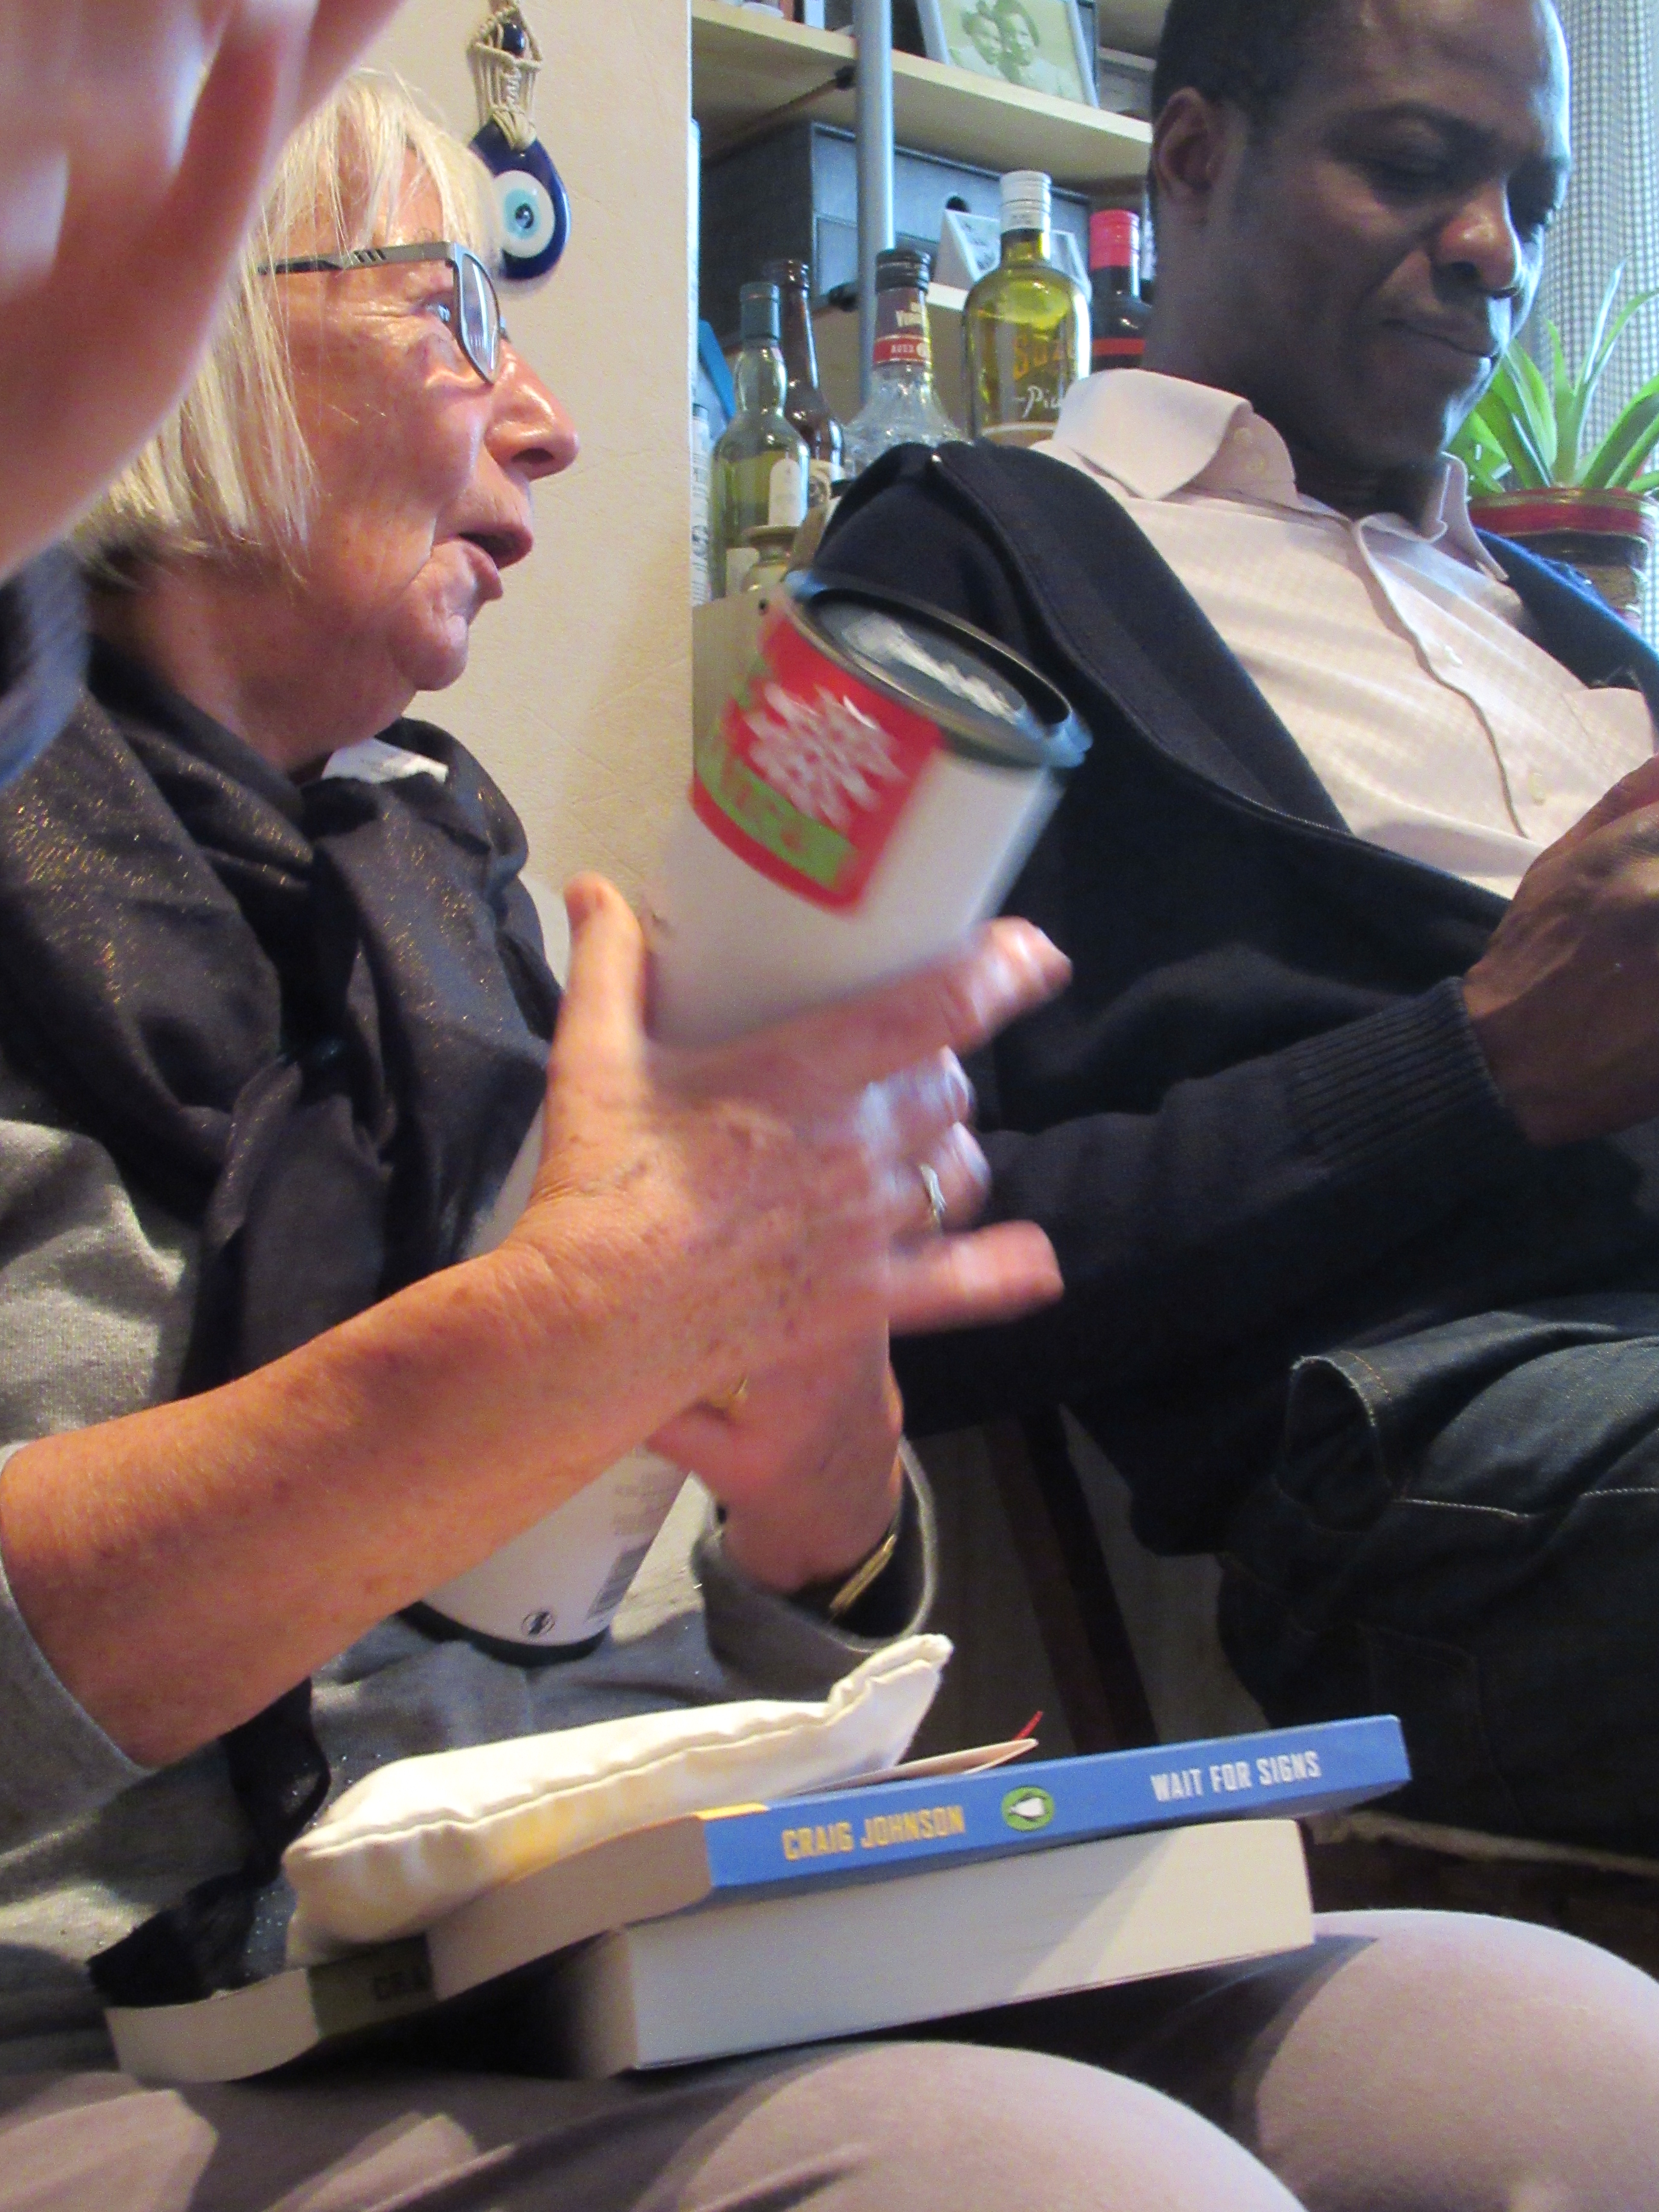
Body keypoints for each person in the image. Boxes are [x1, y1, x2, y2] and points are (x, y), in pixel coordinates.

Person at [1, 24, 1658, 2212]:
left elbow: (639, 1649)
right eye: (455, 309)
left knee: (1576, 2060)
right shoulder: (976, 561)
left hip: (571, 1928)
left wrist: (818, 1519)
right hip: (129, 1988)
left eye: (1535, 199)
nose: (553, 414)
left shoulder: (449, 898)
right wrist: (566, 1334)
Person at [822, 0, 1659, 1857]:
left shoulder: (1578, 632)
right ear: (1193, 158)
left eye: (1532, 200)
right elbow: (821, 1259)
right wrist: (1474, 1062)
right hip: (1431, 1445)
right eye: (1416, 165)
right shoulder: (962, 564)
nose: (1495, 252)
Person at [995, 1, 1072, 96]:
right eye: (1010, 35)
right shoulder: (998, 70)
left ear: (1033, 36)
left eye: (1024, 35)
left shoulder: (1059, 78)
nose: (1019, 42)